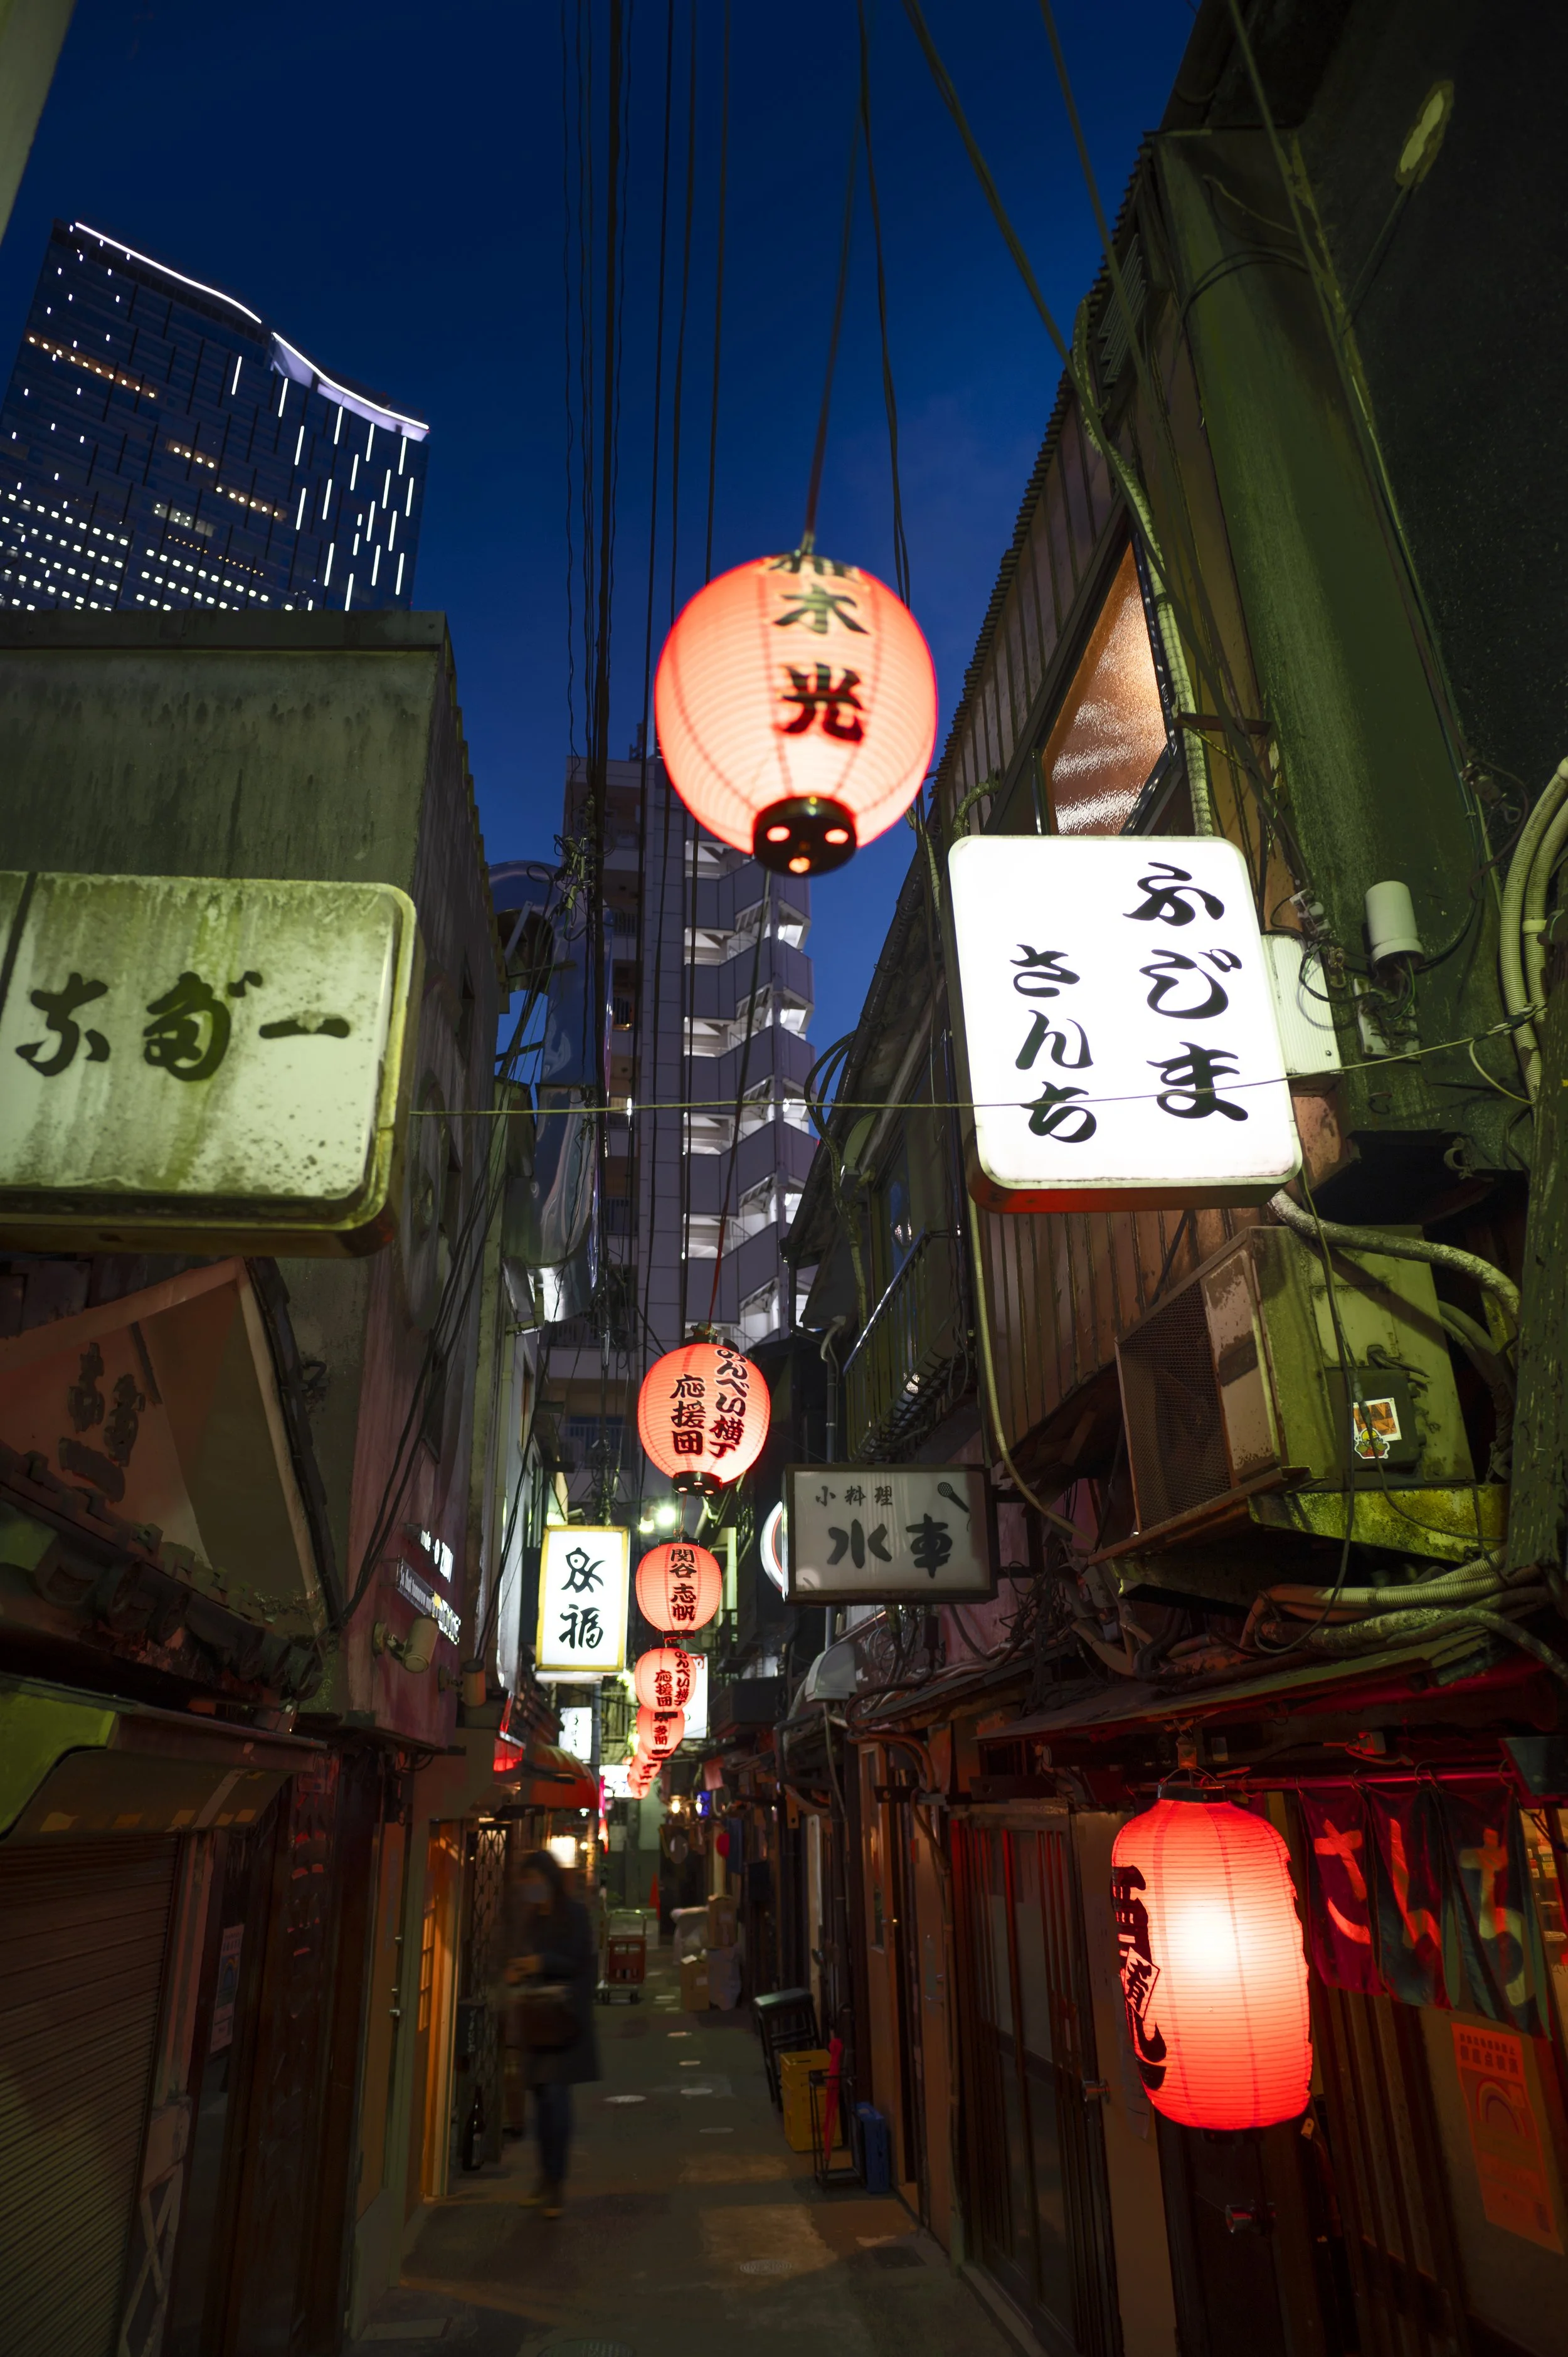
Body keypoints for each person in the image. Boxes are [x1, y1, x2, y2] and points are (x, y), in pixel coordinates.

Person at [502, 1847, 600, 2217]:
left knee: (556, 2100)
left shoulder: (572, 1914)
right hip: (538, 2020)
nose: (530, 1887)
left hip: (564, 2020)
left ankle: (556, 2183)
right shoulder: (532, 1919)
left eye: (535, 1880)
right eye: (526, 1881)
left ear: (549, 1880)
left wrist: (539, 1962)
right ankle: (545, 2178)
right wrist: (519, 1970)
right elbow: (526, 1958)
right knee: (542, 2103)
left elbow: (578, 1960)